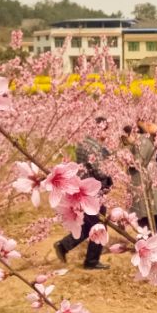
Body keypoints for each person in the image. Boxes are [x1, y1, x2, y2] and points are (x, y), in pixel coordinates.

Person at [54, 116, 113, 270]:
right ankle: (91, 261)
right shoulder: (94, 147)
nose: (106, 134)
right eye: (106, 130)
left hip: (84, 191)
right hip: (93, 192)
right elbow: (100, 171)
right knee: (99, 225)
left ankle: (64, 246)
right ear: (101, 128)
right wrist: (110, 175)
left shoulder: (84, 143)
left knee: (90, 225)